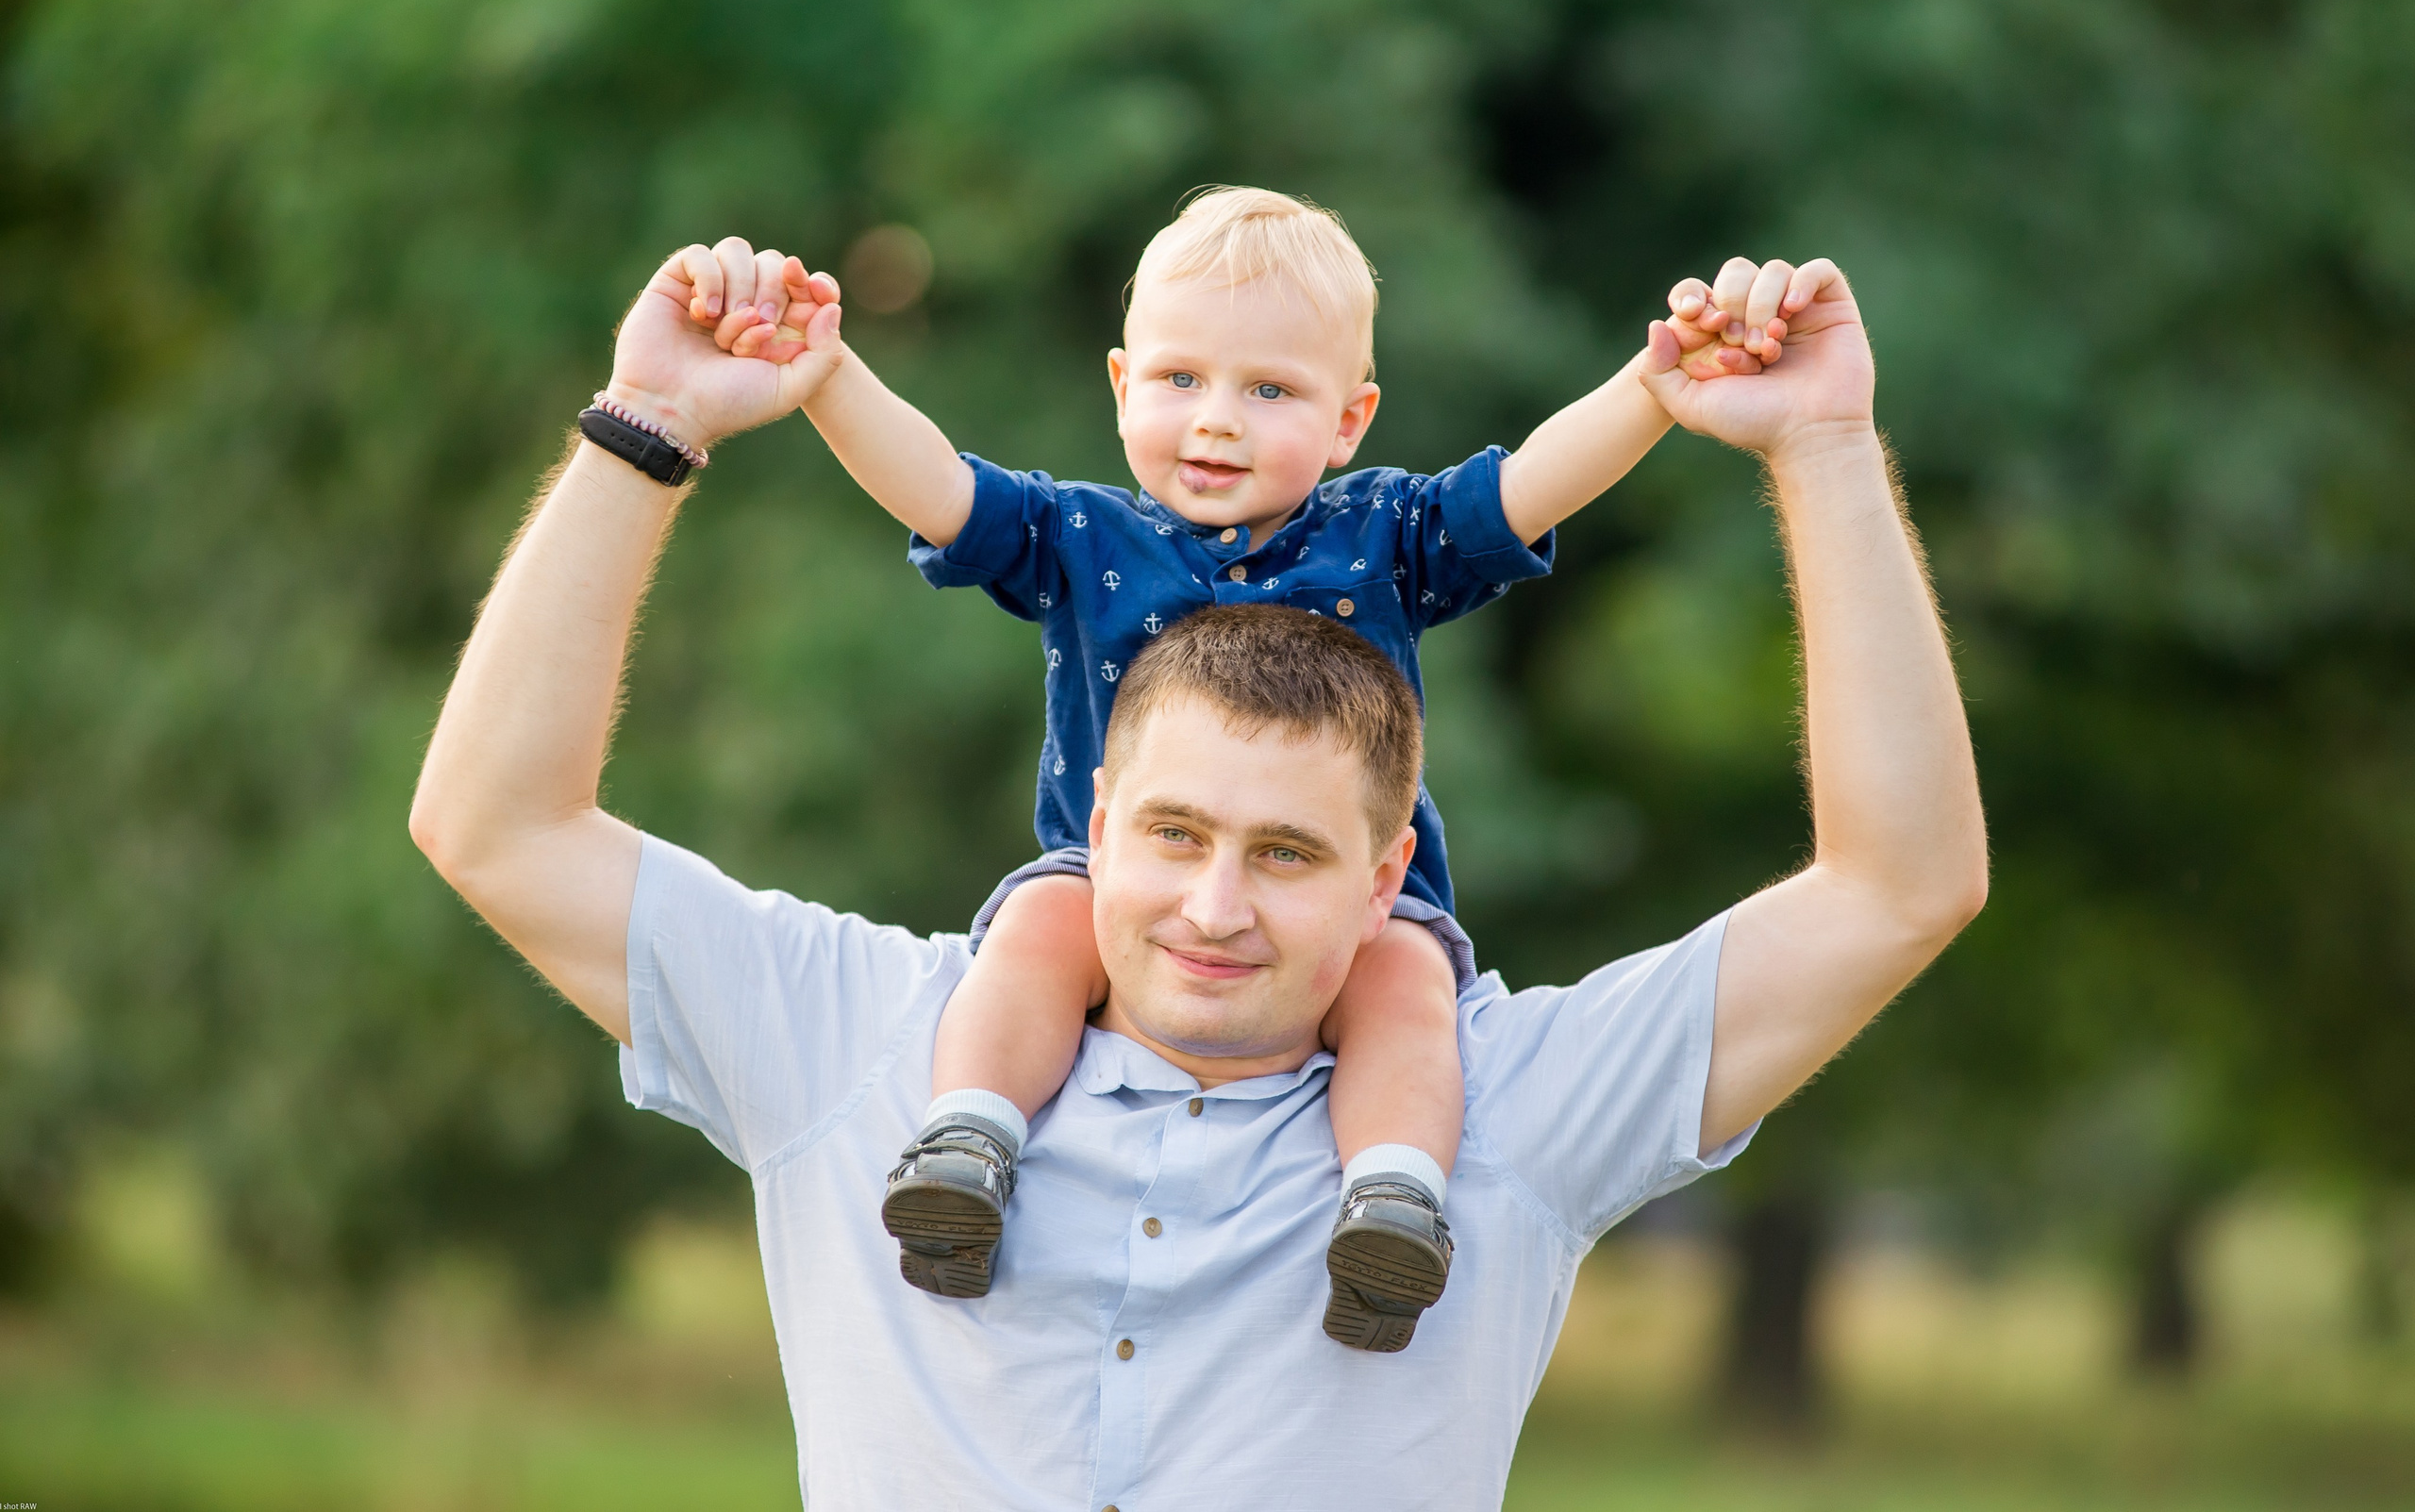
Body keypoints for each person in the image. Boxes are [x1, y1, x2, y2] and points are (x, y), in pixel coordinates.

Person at [408, 241, 1986, 1509]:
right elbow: (498, 824)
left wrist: (1825, 446)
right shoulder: (859, 1042)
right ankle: (980, 1139)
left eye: (1288, 853)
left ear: (1386, 882)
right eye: (1173, 835)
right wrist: (647, 424)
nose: (1215, 904)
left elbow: (1898, 885)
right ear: (1094, 824)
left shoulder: (1503, 1107)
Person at [718, 187, 1727, 1347]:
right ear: (1120, 384)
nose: (1217, 421)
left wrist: (1652, 390)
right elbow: (941, 490)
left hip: (1340, 903)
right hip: (1113, 887)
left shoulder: (1382, 538)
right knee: (1035, 930)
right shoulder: (1085, 536)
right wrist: (827, 376)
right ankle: (967, 1140)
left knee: (1406, 985)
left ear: (1349, 419)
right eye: (1180, 379)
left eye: (1270, 390)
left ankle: (1392, 1203)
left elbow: (1525, 486)